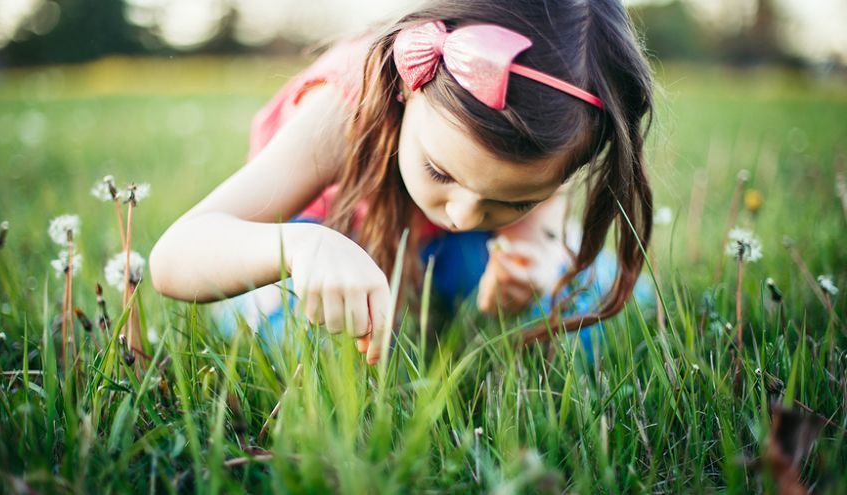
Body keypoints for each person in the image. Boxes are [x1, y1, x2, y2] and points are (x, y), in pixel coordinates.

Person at [149, 0, 656, 365]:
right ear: (406, 88)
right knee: (313, 357)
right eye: (441, 171)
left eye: (514, 199)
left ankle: (453, 275)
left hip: (437, 253)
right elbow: (174, 256)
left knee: (596, 309)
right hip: (326, 251)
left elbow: (545, 197)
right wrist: (301, 246)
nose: (460, 214)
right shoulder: (341, 115)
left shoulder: (556, 134)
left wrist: (534, 246)